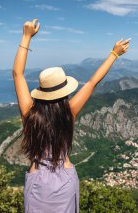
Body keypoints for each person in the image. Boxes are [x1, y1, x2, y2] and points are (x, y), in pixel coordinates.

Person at [12, 19, 130, 212]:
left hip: (37, 183)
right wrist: (114, 54)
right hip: (65, 181)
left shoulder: (29, 115)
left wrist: (26, 36)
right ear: (64, 91)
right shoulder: (69, 113)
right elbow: (92, 82)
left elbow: (18, 74)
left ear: (42, 91)